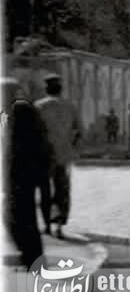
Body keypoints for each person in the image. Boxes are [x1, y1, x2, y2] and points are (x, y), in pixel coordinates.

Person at [3, 78, 49, 269]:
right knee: (21, 213)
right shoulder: (20, 109)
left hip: (22, 171)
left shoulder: (19, 109)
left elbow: (17, 144)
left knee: (17, 214)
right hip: (27, 170)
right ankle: (31, 256)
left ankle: (32, 257)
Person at [34, 73, 81, 239]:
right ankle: (60, 226)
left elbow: (33, 132)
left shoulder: (39, 106)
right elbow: (78, 131)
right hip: (64, 155)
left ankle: (47, 225)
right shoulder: (70, 106)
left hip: (44, 156)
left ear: (46, 88)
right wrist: (70, 147)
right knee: (62, 191)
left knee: (45, 190)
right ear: (60, 88)